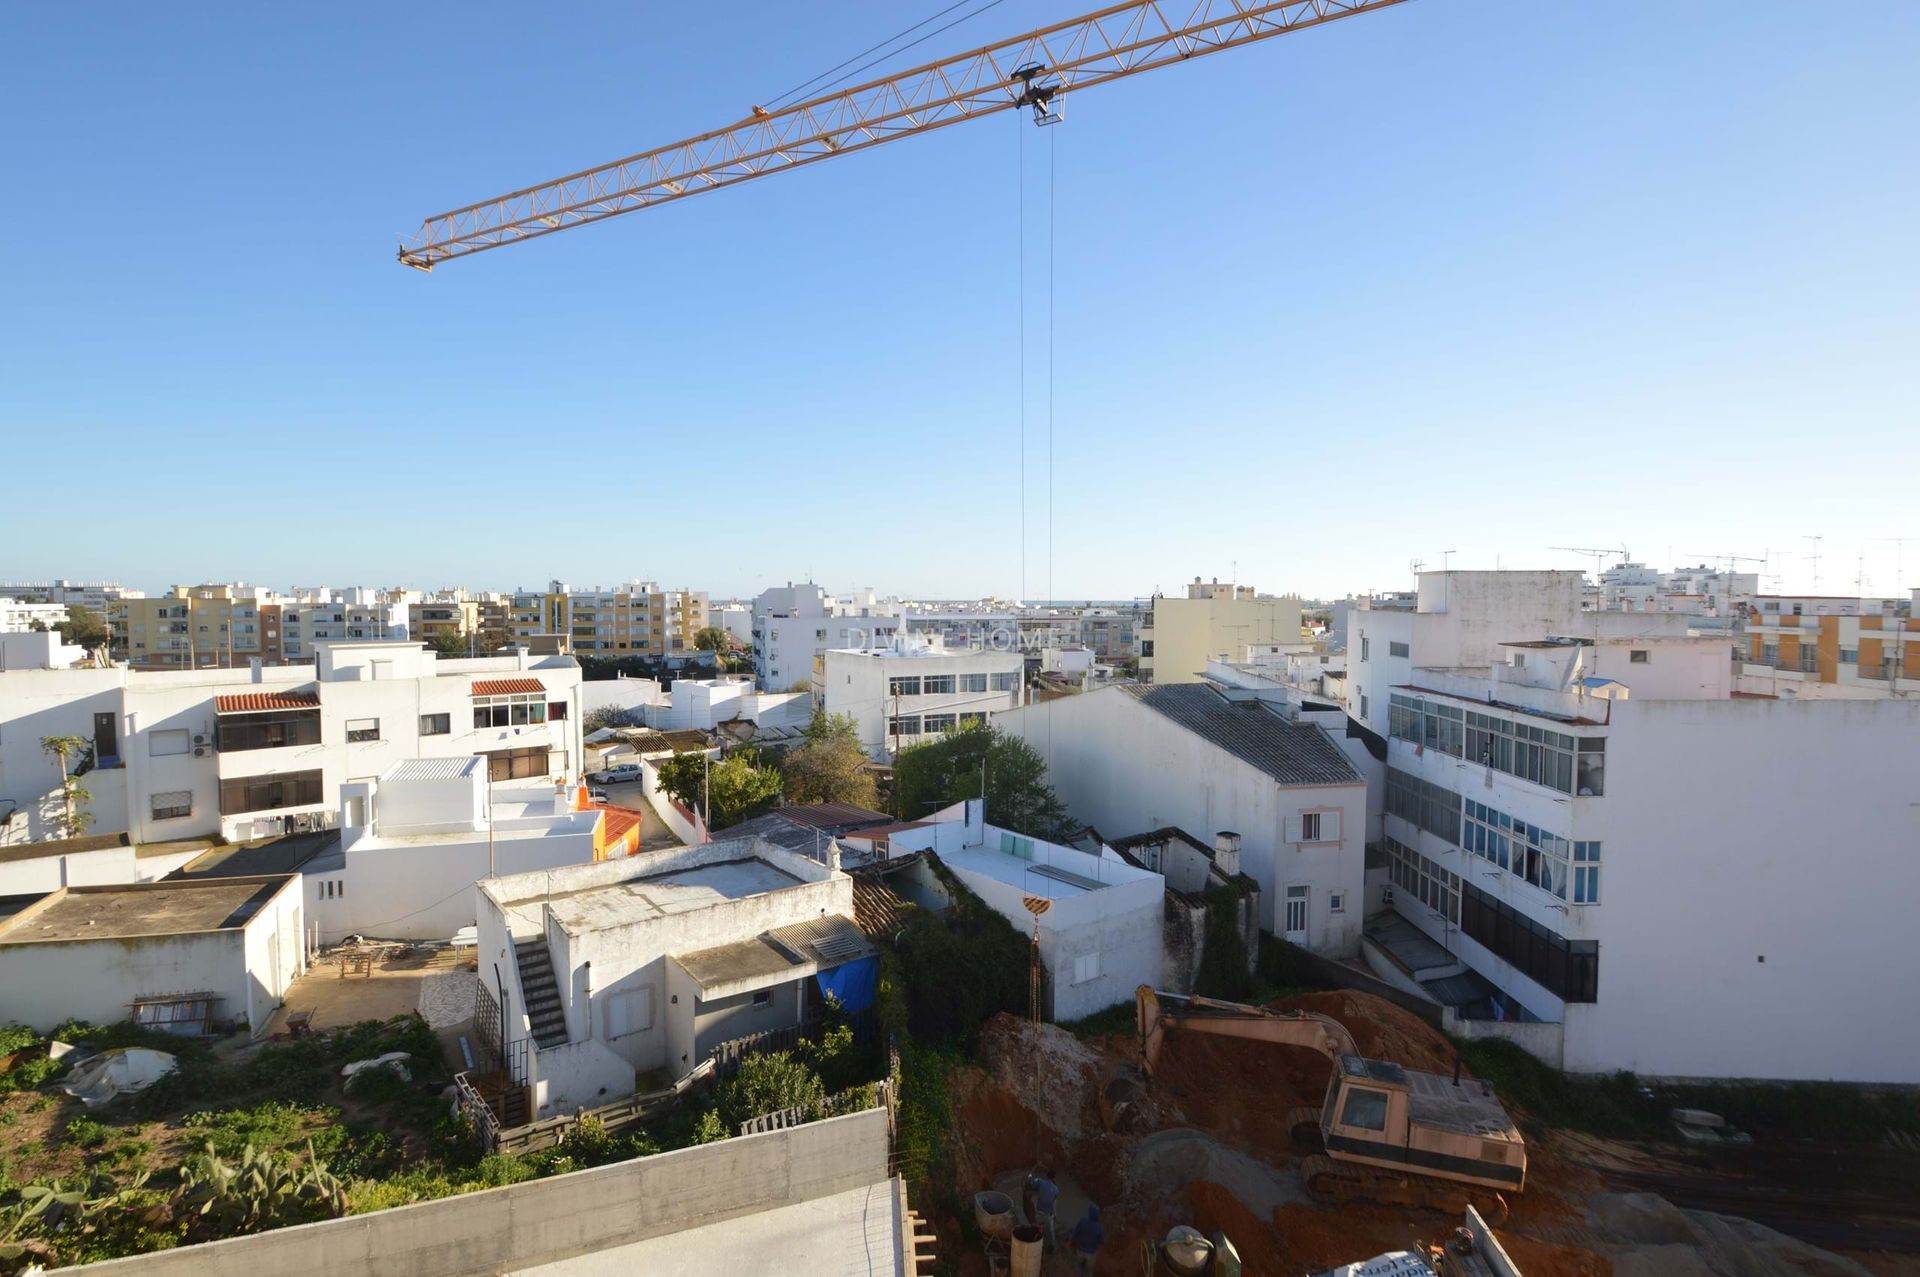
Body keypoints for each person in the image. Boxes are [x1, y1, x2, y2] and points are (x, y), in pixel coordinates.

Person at [1022, 1167, 1059, 1248]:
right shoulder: (1056, 1189)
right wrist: (1055, 1215)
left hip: (1039, 1212)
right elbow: (1054, 1204)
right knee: (1051, 1231)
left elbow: (1031, 1181)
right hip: (1049, 1215)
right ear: (1054, 1177)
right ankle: (1052, 1246)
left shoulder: (1041, 1182)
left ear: (1046, 1175)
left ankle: (1035, 1243)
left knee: (1036, 1227)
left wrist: (1030, 1175)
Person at [1071, 1204, 1103, 1275]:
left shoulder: (1082, 1222)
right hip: (1091, 1254)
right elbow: (1101, 1242)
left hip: (1080, 1250)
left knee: (1078, 1267)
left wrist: (1073, 1244)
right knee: (1088, 1272)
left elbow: (1075, 1234)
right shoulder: (1099, 1227)